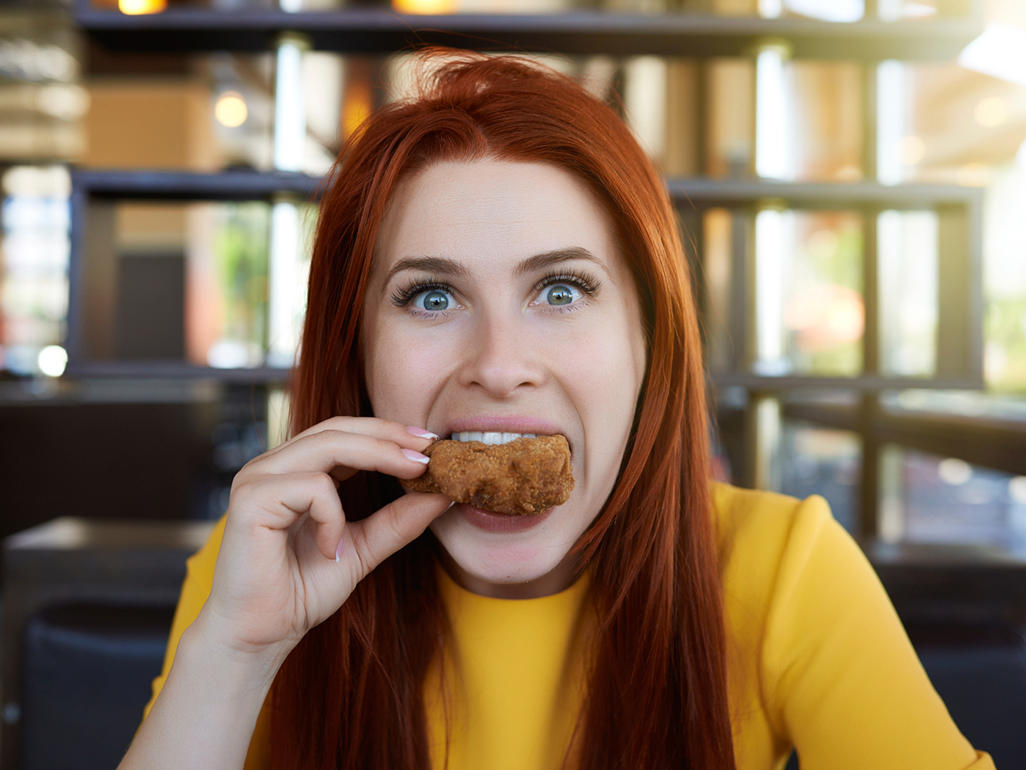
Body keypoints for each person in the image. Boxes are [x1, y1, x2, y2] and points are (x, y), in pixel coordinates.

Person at [120, 49, 995, 770]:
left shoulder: (779, 574)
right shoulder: (259, 576)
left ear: (648, 340)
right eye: (430, 298)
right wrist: (234, 657)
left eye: (563, 288)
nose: (500, 367)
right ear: (355, 351)